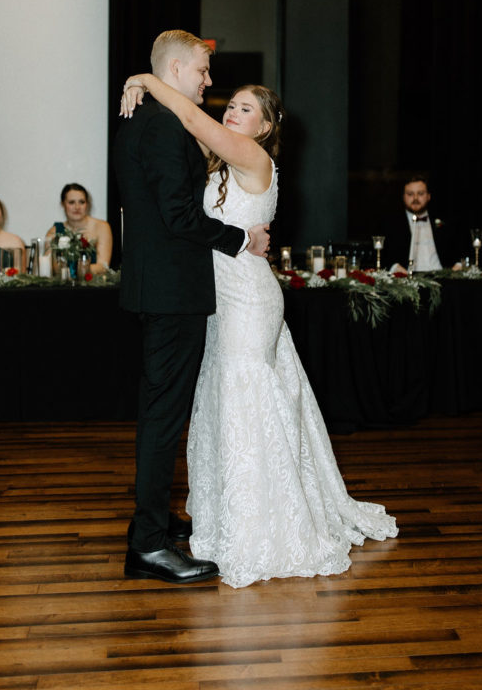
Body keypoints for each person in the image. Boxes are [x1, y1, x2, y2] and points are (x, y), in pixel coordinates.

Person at [121, 71, 398, 588]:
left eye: (246, 109)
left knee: (248, 400)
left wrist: (146, 80)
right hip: (216, 299)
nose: (232, 112)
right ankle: (227, 512)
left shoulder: (254, 158)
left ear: (267, 128)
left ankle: (263, 523)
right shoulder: (221, 164)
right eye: (233, 106)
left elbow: (189, 116)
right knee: (224, 402)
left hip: (247, 299)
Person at [115, 30, 271, 586]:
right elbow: (179, 217)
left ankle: (156, 524)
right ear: (177, 69)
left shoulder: (153, 116)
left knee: (164, 413)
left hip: (163, 288)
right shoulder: (160, 124)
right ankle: (149, 546)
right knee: (162, 419)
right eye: (204, 72)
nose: (209, 81)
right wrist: (240, 240)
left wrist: (142, 81)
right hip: (171, 291)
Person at [382, 175, 462, 273]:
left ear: (428, 196)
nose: (415, 198)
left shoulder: (444, 222)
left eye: (420, 193)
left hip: (442, 279)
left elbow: (460, 251)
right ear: (403, 197)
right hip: (407, 282)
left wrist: (456, 268)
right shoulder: (391, 224)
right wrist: (395, 268)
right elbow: (383, 256)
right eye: (410, 194)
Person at [45, 183, 112, 275]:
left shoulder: (101, 227)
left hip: (94, 285)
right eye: (71, 202)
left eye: (81, 202)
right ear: (63, 204)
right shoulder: (54, 231)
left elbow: (103, 266)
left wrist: (74, 270)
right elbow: (49, 267)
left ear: (87, 204)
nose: (77, 207)